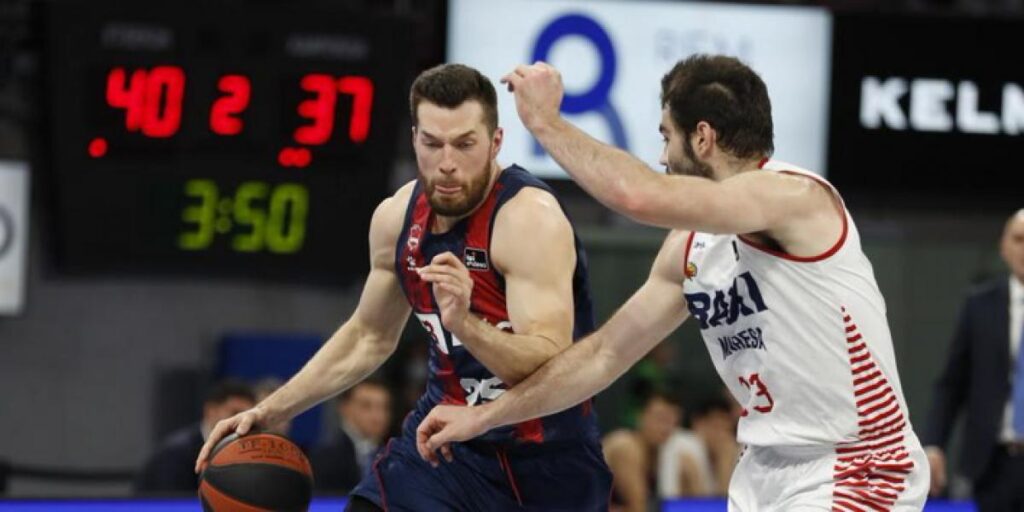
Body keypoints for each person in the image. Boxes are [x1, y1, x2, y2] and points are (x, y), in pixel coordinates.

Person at [416, 55, 931, 510]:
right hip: (762, 474)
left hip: (858, 465)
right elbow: (600, 358)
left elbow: (641, 196)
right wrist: (484, 416)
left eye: (665, 136)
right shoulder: (691, 247)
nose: (661, 156)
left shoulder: (796, 198)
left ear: (702, 137)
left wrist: (545, 123)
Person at [195, 63, 611, 511]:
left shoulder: (529, 220)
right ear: (415, 140)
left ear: (495, 143)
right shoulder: (396, 218)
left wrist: (465, 326)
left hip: (544, 461)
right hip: (442, 448)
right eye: (432, 143)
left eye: (465, 144)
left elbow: (550, 362)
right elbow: (369, 336)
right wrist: (272, 410)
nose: (447, 162)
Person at [924, 209, 1024, 511]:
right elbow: (952, 384)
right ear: (1003, 246)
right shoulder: (980, 305)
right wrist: (933, 444)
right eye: (1019, 239)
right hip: (993, 466)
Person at [136, 380, 255, 493]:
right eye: (234, 413)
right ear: (210, 410)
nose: (241, 422)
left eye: (246, 416)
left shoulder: (242, 453)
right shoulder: (176, 454)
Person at [603, 391, 691, 512]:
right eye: (661, 419)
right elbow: (638, 507)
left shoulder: (661, 454)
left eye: (672, 422)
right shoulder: (626, 446)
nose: (666, 428)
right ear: (641, 416)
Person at [310, 379, 392, 494]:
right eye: (366, 406)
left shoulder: (394, 458)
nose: (377, 416)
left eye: (383, 408)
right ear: (345, 408)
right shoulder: (324, 457)